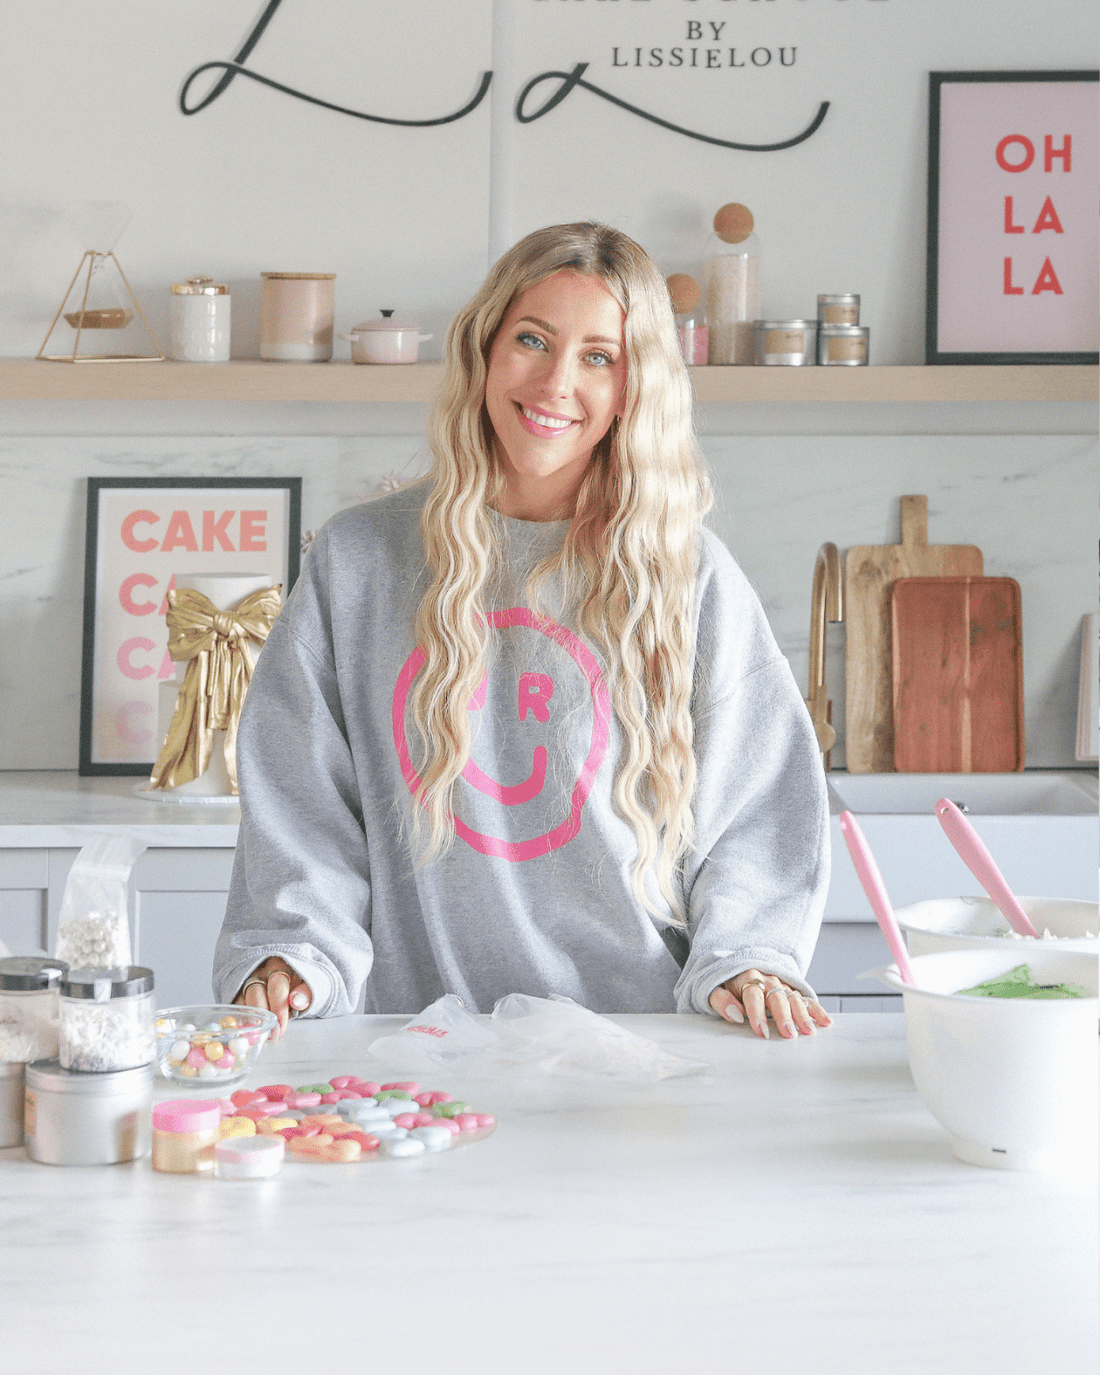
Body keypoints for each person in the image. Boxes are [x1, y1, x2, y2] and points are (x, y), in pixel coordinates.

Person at [213, 221, 832, 1043]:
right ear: (483, 349)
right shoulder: (358, 562)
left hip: (646, 1058)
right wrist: (293, 954)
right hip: (418, 1051)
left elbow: (760, 799)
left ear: (632, 389)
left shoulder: (691, 575)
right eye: (532, 340)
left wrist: (748, 953)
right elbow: (302, 800)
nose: (555, 382)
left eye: (598, 357)